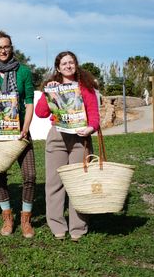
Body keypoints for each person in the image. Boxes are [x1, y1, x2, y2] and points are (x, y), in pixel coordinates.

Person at [35, 51, 100, 242]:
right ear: (58, 68)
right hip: (57, 137)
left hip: (80, 138)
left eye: (71, 62)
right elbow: (40, 113)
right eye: (64, 63)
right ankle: (57, 225)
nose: (68, 66)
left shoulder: (86, 88)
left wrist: (91, 128)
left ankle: (78, 227)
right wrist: (48, 92)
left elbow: (94, 115)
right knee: (54, 183)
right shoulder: (52, 87)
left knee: (77, 183)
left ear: (76, 65)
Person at [0, 31, 36, 237]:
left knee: (30, 175)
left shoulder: (23, 71)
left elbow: (30, 102)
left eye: (6, 46)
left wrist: (26, 127)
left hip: (21, 130)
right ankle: (8, 217)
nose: (3, 50)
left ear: (11, 47)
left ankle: (26, 219)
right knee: (0, 174)